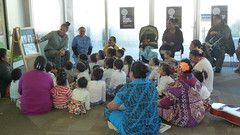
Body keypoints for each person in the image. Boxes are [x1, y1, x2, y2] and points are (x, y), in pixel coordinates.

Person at [105, 61, 161, 135]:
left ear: (131, 73)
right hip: (154, 129)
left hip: (133, 130)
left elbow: (112, 106)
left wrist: (108, 105)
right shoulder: (152, 86)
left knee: (108, 111)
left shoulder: (127, 88)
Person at [158, 59, 205, 127]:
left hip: (189, 119)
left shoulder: (180, 85)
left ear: (180, 71)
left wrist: (156, 102)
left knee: (156, 107)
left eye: (178, 67)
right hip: (199, 113)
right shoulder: (192, 77)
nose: (176, 68)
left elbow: (165, 103)